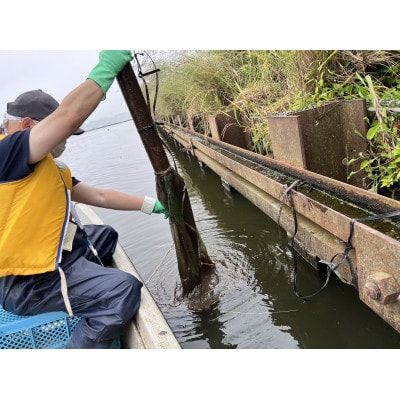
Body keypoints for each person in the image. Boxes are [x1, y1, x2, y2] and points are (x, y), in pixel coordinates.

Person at [0, 50, 169, 349]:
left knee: (105, 235)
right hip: (27, 282)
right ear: (27, 126)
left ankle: (86, 284)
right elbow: (69, 115)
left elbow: (98, 195)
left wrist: (148, 205)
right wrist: (105, 70)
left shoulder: (46, 166)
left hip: (44, 264)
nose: (63, 141)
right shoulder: (7, 152)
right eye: (59, 134)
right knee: (122, 290)